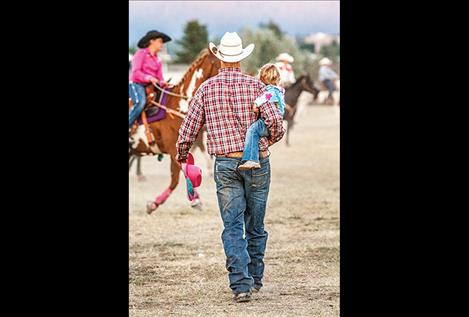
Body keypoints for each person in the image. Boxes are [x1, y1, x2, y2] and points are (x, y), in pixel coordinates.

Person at [176, 32, 285, 302]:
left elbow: (189, 128)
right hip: (257, 163)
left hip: (225, 163)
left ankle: (241, 285)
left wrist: (181, 153)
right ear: (241, 58)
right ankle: (255, 278)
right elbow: (276, 123)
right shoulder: (256, 86)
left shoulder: (206, 89)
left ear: (220, 58)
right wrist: (267, 141)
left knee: (233, 224)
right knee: (256, 224)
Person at [238, 63, 285, 170]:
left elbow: (265, 97)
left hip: (267, 122)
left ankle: (252, 159)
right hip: (276, 121)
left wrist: (255, 104)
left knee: (252, 131)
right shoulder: (279, 90)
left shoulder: (271, 91)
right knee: (254, 135)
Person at [129, 30, 171, 129]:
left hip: (151, 87)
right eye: (160, 41)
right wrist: (149, 78)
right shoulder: (141, 54)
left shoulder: (158, 60)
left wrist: (163, 83)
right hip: (136, 84)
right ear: (152, 41)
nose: (162, 44)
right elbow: (136, 72)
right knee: (140, 102)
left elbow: (160, 77)